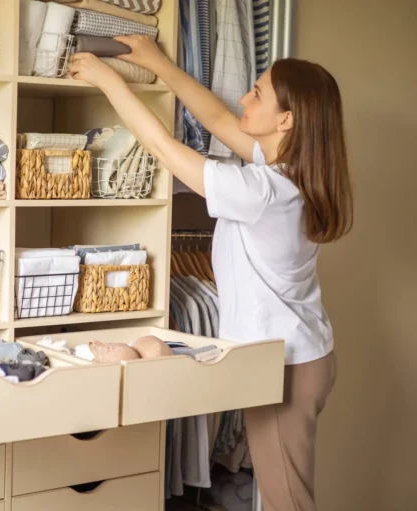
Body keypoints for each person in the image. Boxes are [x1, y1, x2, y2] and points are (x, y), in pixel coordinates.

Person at [70, 36, 353, 511]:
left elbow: (163, 146)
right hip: (303, 355)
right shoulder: (289, 171)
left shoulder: (263, 190)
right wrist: (159, 63)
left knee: (289, 502)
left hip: (283, 366)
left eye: (257, 94)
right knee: (282, 493)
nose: (244, 98)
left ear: (286, 120)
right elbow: (217, 120)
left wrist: (108, 81)